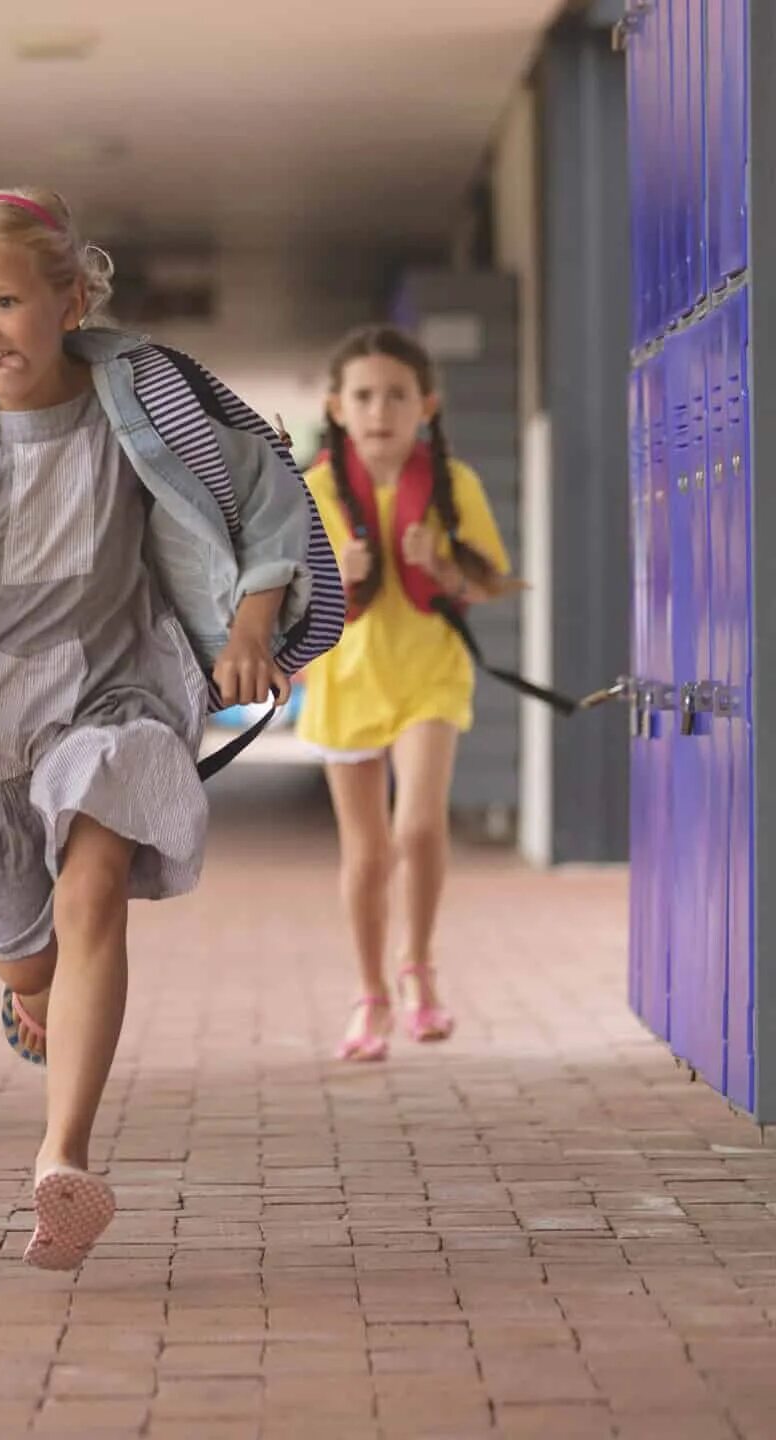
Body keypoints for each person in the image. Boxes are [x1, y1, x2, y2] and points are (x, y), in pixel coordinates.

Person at [0, 187, 342, 1268]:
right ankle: (34, 992)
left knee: (94, 887)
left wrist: (248, 622)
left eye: (4, 301)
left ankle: (63, 1159)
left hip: (119, 690)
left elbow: (266, 490)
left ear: (70, 297)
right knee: (26, 960)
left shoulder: (147, 405)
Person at [297, 324, 516, 1061]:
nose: (379, 410)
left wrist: (443, 565)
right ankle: (371, 996)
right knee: (365, 855)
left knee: (418, 827)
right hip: (345, 680)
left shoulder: (455, 486)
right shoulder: (317, 489)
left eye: (396, 395)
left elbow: (488, 584)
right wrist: (341, 573)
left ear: (427, 405)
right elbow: (287, 599)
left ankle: (419, 968)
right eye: (364, 396)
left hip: (429, 672)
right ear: (337, 406)